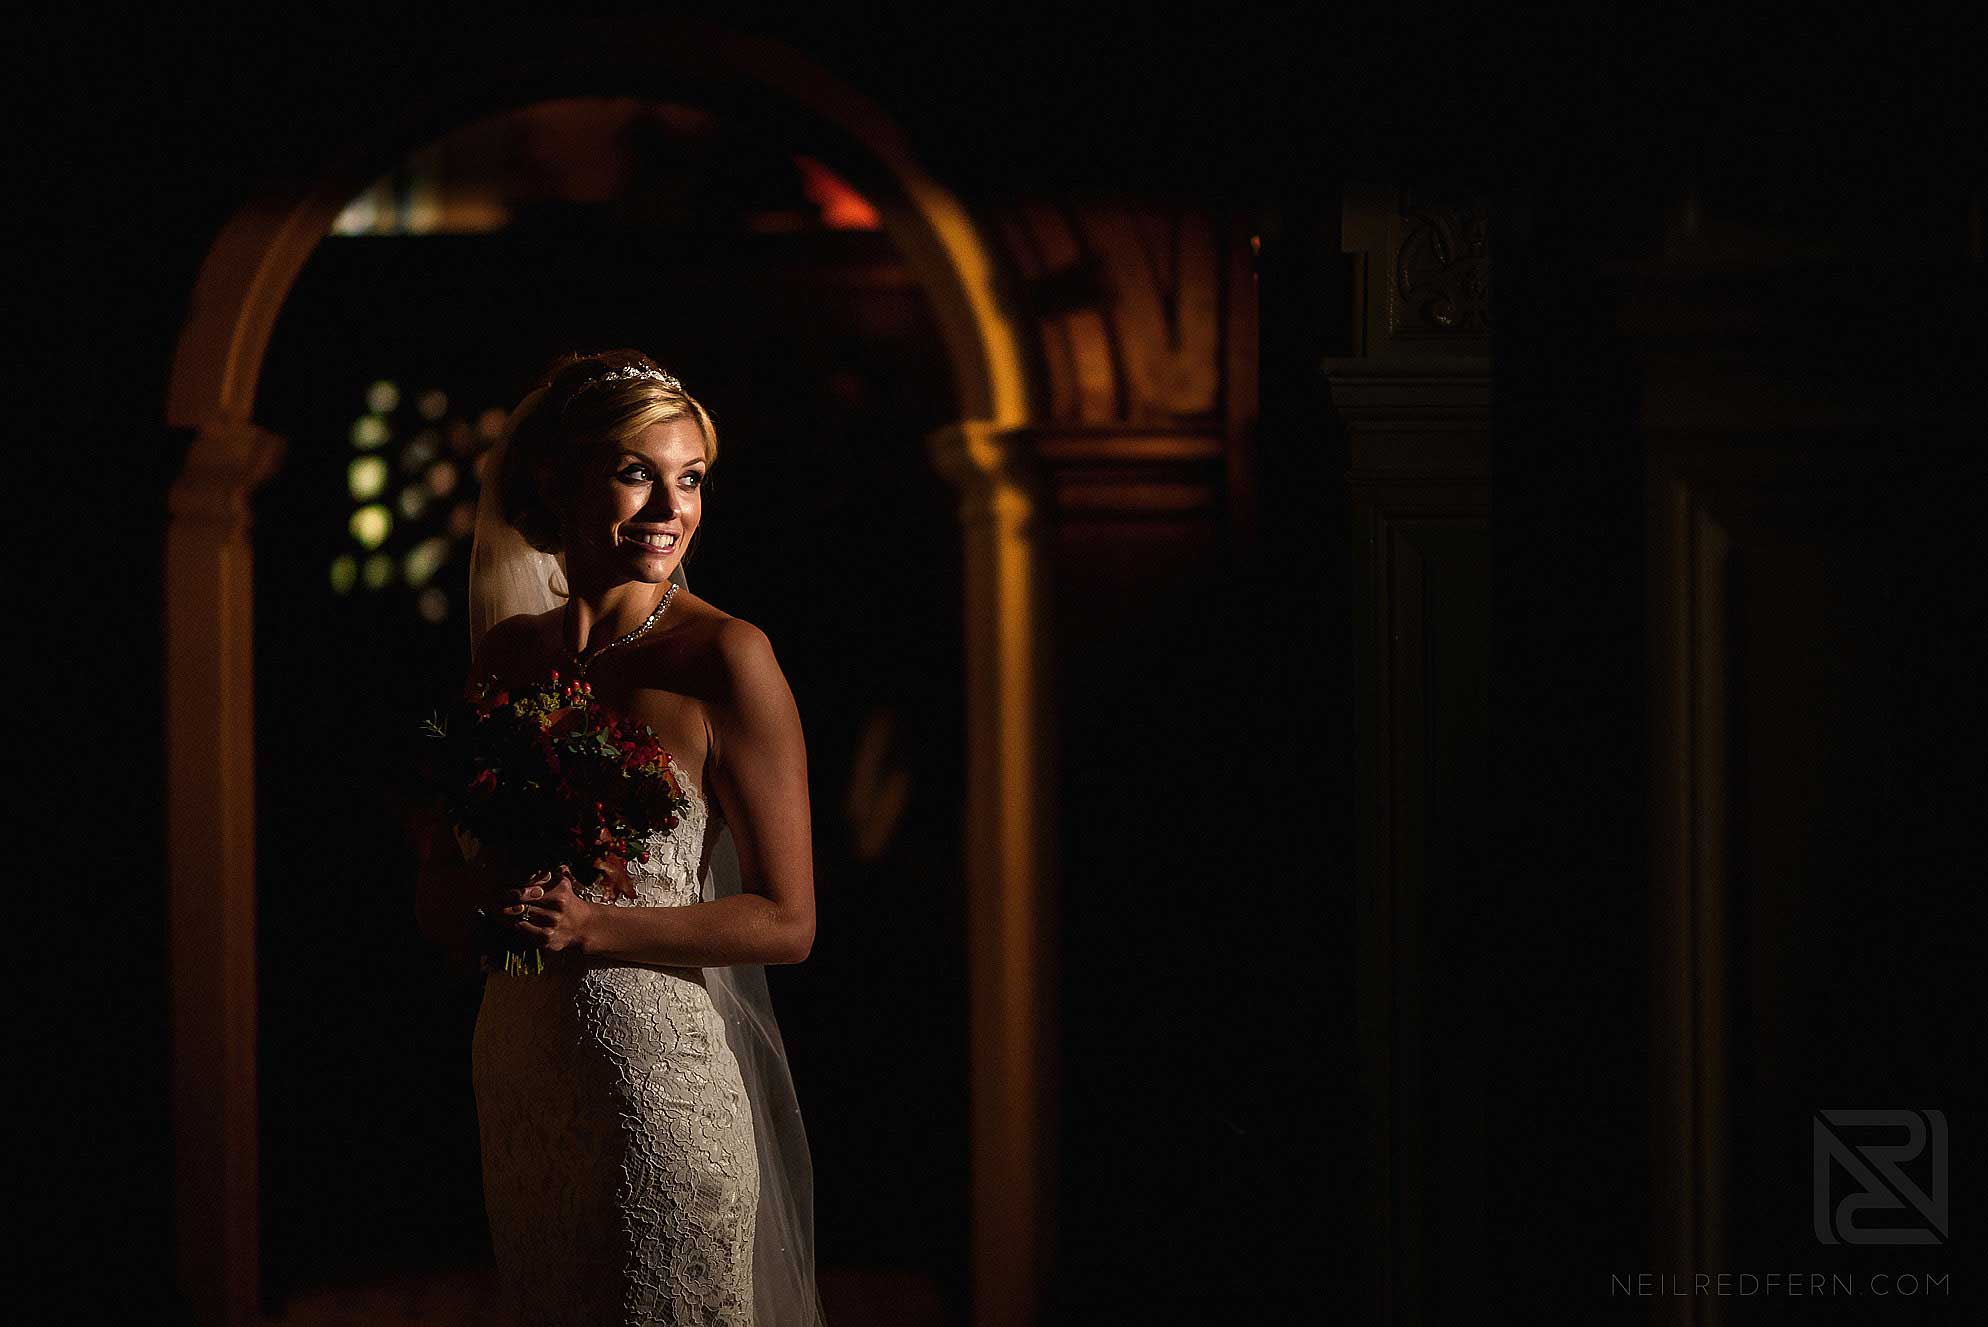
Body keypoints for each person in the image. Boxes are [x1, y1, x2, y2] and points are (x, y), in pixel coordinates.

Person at [414, 349, 826, 1325]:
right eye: (638, 473)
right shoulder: (510, 657)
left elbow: (788, 921)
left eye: (689, 480)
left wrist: (594, 926)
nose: (668, 510)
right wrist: (455, 885)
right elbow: (447, 875)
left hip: (658, 1090)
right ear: (557, 479)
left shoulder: (725, 657)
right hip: (521, 1068)